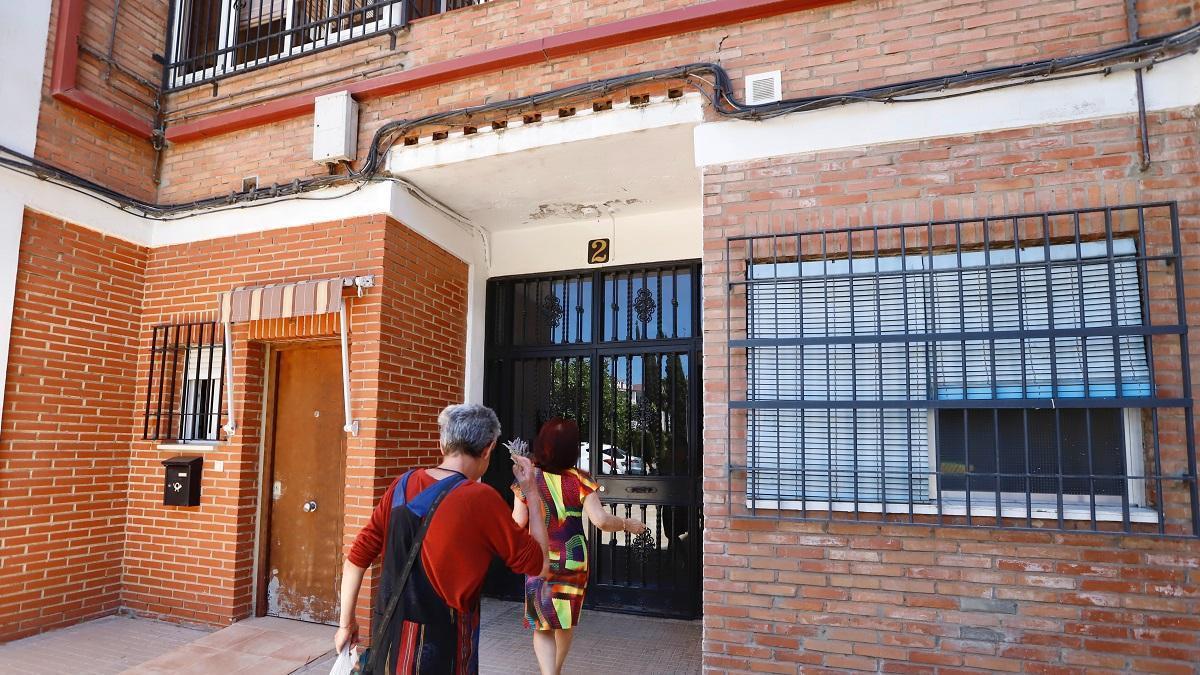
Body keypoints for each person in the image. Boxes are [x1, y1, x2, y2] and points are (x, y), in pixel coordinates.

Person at [334, 403, 550, 674]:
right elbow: (538, 565)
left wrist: (346, 625)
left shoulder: (401, 485)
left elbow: (357, 557)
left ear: (441, 444)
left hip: (391, 642)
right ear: (488, 449)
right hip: (442, 649)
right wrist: (530, 491)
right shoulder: (481, 499)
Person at [511, 418, 648, 675]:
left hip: (538, 558)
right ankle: (556, 671)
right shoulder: (580, 479)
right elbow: (601, 521)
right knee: (564, 621)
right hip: (573, 560)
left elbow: (517, 522)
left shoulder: (527, 478)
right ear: (572, 450)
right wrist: (627, 523)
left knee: (543, 622)